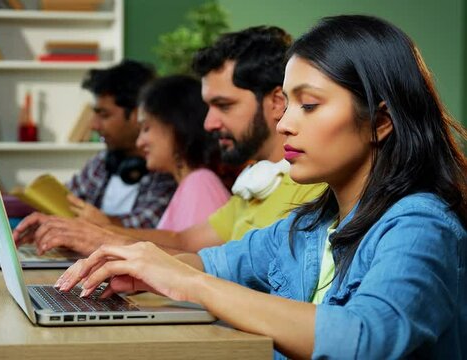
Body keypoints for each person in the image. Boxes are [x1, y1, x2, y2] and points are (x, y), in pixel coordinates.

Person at [56, 15, 467, 358]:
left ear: (380, 121)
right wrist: (145, 269)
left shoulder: (420, 225)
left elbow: (366, 337)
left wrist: (189, 283)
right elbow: (218, 263)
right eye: (286, 104)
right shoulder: (307, 227)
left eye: (308, 105)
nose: (285, 123)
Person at [14, 26, 325, 255]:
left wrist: (103, 239)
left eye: (224, 105)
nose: (209, 123)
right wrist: (85, 232)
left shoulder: (310, 187)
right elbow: (183, 241)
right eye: (208, 107)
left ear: (274, 101)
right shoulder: (256, 181)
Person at [66, 75, 229, 231]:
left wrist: (106, 227)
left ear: (175, 127)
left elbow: (192, 255)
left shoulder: (199, 183)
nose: (139, 142)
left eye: (146, 128)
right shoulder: (191, 184)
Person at [66, 60, 177, 229]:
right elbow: (65, 198)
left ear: (137, 114)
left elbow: (145, 231)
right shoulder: (103, 161)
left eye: (104, 115)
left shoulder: (166, 169)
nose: (93, 126)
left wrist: (95, 222)